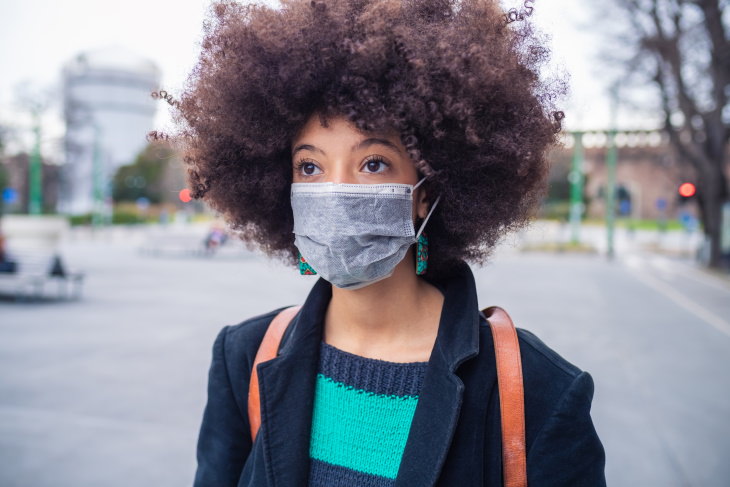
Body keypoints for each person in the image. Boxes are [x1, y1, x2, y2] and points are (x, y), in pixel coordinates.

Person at [172, 0, 606, 485]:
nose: (336, 192)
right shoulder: (245, 357)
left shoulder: (539, 393)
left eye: (373, 162)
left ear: (427, 194)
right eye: (310, 167)